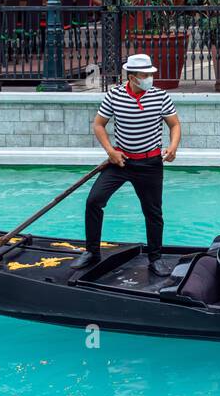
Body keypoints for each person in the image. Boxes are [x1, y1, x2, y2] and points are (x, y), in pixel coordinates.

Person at [71, 53, 181, 275]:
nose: (150, 78)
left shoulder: (160, 96)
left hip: (150, 163)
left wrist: (173, 147)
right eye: (145, 75)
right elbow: (99, 125)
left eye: (151, 74)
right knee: (94, 201)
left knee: (153, 212)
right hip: (121, 162)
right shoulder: (114, 96)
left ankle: (155, 258)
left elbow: (174, 125)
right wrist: (111, 151)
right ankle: (92, 252)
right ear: (132, 77)